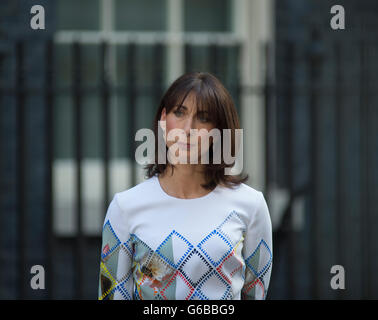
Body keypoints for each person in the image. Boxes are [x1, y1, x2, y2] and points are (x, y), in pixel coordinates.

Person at [98, 72, 273, 300]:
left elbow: (256, 295)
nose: (188, 128)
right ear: (163, 120)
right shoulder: (125, 207)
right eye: (179, 113)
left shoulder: (251, 205)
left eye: (203, 117)